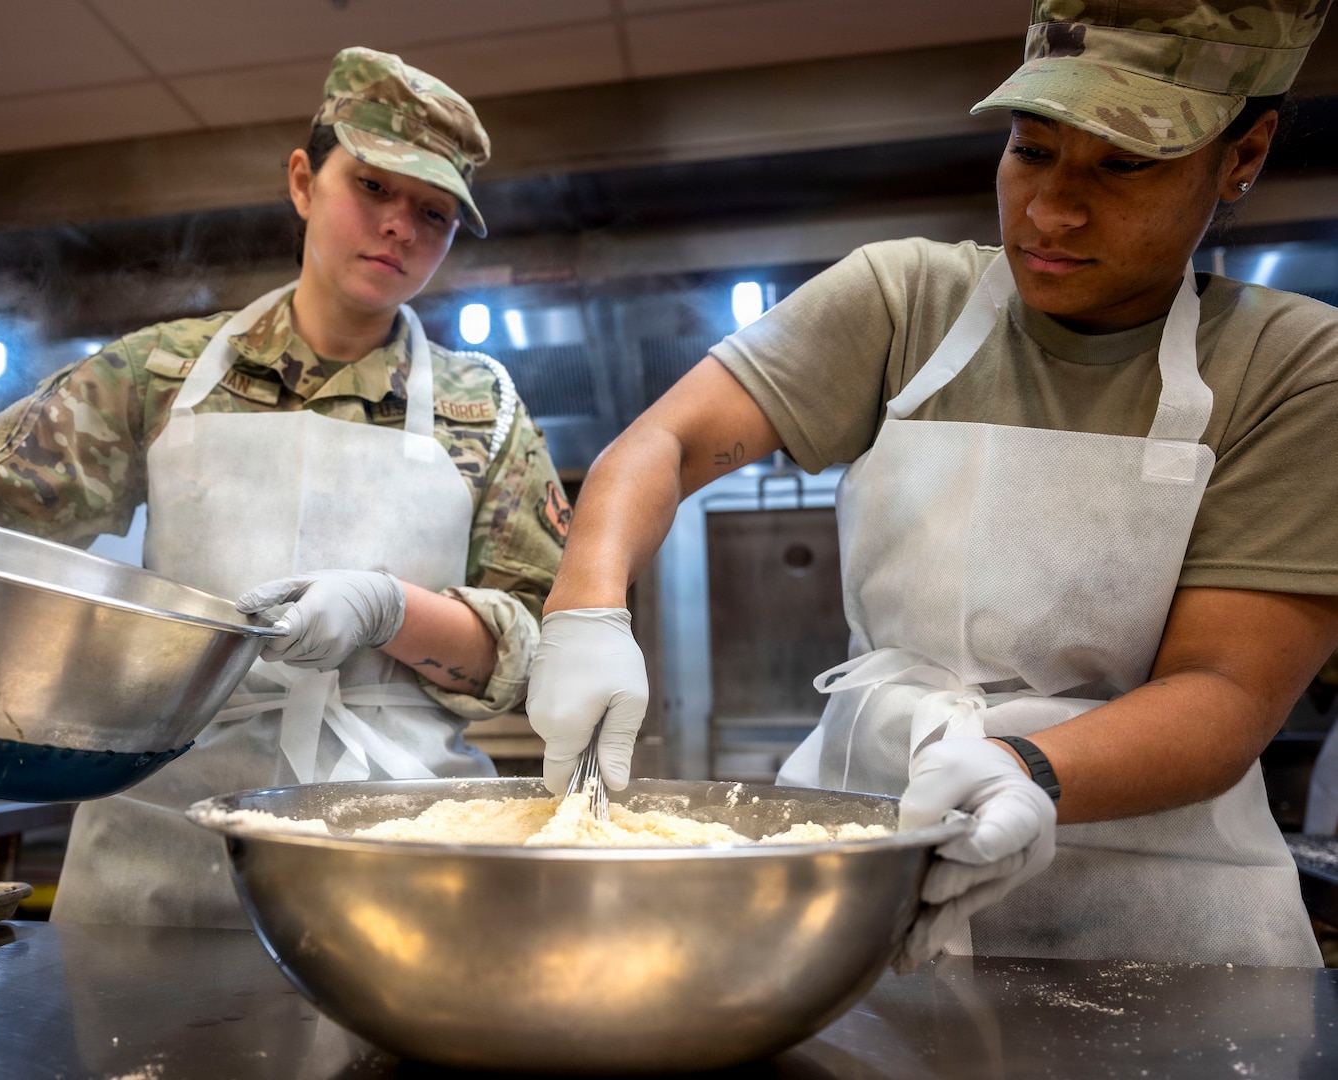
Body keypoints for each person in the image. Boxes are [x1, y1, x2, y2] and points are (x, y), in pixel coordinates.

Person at [527, 0, 1338, 968]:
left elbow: (1225, 691)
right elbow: (661, 443)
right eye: (1032, 150)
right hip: (872, 865)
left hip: (1154, 920)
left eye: (1124, 165)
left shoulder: (1292, 368)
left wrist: (1017, 767)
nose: (1051, 209)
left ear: (1242, 155)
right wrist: (586, 608)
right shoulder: (903, 303)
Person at [0, 47, 569, 928]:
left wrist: (389, 611)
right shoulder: (163, 371)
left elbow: (540, 647)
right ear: (302, 182)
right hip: (165, 842)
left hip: (397, 841)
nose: (398, 226)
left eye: (432, 211)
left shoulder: (484, 411)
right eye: (373, 186)